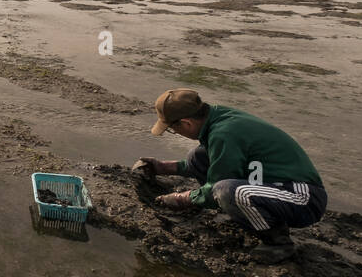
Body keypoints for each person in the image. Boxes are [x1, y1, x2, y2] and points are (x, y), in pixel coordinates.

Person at [135, 88, 327, 252]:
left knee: (226, 190)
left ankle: (277, 242)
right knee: (198, 156)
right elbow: (220, 161)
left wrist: (183, 198)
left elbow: (216, 186)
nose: (176, 133)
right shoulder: (217, 117)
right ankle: (247, 214)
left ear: (186, 123)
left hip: (304, 198)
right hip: (272, 184)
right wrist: (164, 168)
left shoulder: (224, 133)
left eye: (171, 129)